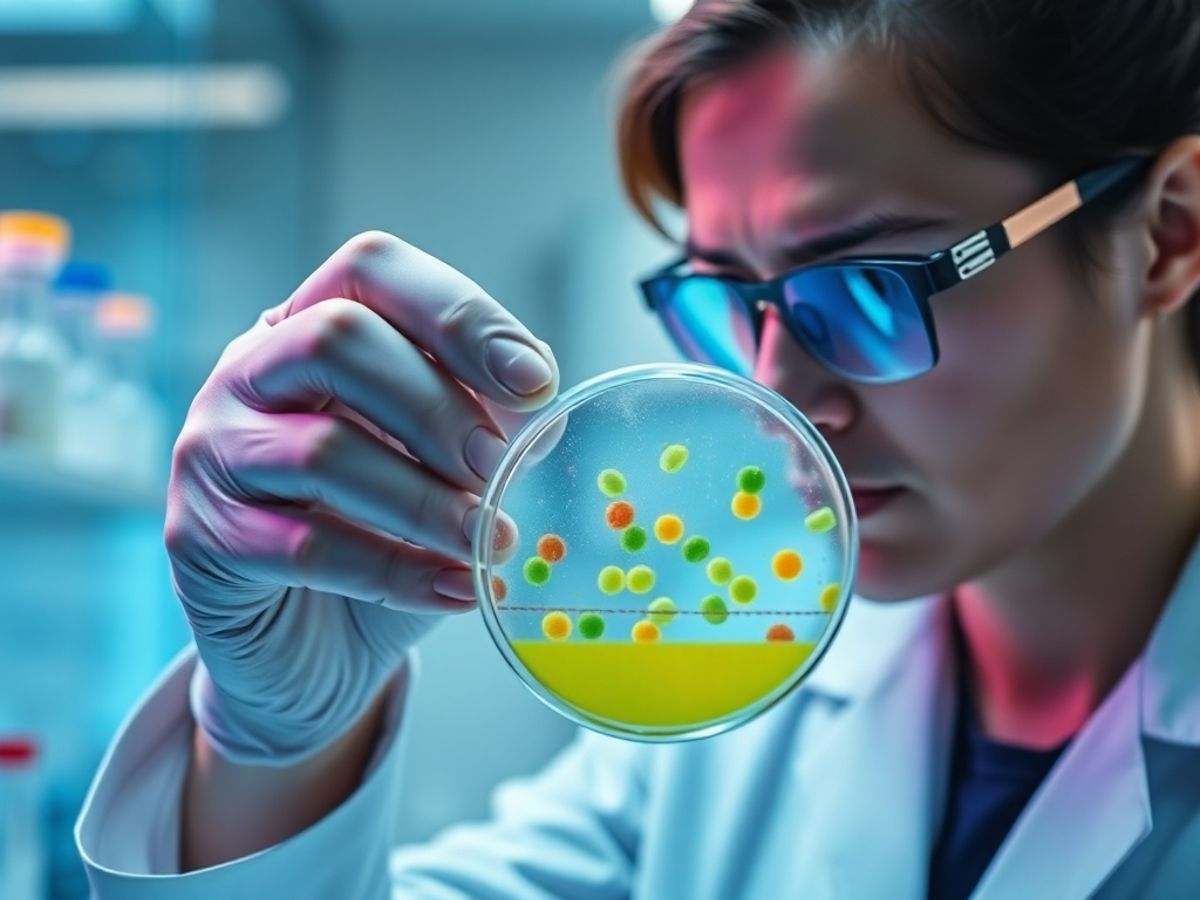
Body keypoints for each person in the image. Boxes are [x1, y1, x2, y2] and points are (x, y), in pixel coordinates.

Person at [76, 1, 1200, 897]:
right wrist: (272, 747)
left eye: (867, 287)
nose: (779, 388)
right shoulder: (716, 727)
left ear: (1167, 232)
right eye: (727, 301)